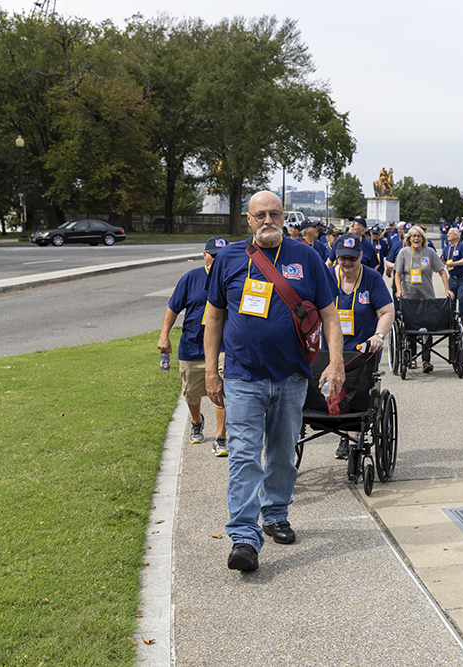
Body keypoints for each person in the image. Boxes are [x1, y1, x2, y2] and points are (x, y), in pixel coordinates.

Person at [204, 191, 345, 572]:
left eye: (275, 214)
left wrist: (335, 364)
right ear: (248, 220)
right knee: (245, 455)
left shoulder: (307, 257)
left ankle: (276, 512)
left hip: (292, 375)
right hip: (242, 375)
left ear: (285, 217)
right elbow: (214, 316)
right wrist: (210, 370)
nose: (268, 220)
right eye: (260, 215)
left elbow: (330, 315)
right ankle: (245, 538)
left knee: (282, 453)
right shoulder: (230, 258)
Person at [158, 236, 229, 456]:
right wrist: (164, 336)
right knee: (191, 393)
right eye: (213, 255)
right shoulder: (191, 278)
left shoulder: (232, 277)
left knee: (223, 392)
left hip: (223, 346)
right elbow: (173, 308)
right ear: (204, 254)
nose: (216, 260)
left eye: (221, 256)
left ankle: (220, 437)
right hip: (192, 345)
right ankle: (197, 421)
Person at [331, 233, 395, 458]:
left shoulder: (371, 278)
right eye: (342, 258)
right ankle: (344, 434)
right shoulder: (327, 277)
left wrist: (378, 335)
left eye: (352, 258)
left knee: (357, 394)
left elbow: (387, 312)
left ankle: (352, 438)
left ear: (360, 257)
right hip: (331, 351)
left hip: (362, 350)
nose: (347, 263)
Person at [393, 225, 452, 373]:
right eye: (413, 236)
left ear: (423, 239)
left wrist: (447, 289)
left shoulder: (430, 252)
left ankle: (426, 360)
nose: (416, 238)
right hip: (409, 297)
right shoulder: (403, 253)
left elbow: (442, 272)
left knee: (428, 328)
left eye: (419, 236)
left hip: (427, 296)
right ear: (408, 239)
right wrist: (399, 290)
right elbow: (398, 274)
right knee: (411, 329)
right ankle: (412, 358)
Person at [443, 227, 463, 325]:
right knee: (451, 298)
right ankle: (451, 317)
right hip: (452, 277)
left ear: (456, 235)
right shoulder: (447, 248)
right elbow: (442, 259)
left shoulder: (462, 246)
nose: (448, 235)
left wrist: (454, 264)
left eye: (450, 233)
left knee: (462, 297)